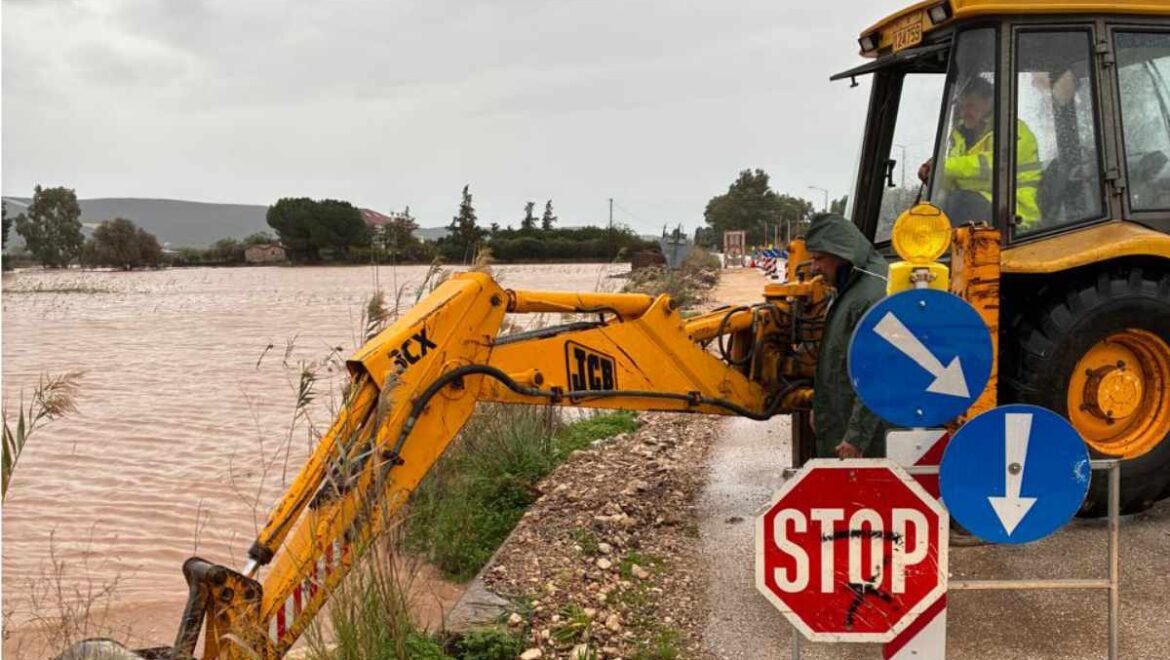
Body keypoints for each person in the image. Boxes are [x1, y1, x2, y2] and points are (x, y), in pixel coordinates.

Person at [805, 214, 888, 459]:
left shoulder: (869, 297)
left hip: (864, 442)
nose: (814, 268)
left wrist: (855, 438)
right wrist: (819, 409)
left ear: (840, 253)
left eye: (819, 258)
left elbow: (876, 373)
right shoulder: (850, 290)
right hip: (843, 425)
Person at [918, 76, 1042, 229]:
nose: (964, 113)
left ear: (989, 102)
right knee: (932, 211)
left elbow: (991, 166)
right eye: (961, 107)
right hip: (978, 209)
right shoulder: (960, 137)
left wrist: (943, 167)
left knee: (960, 202)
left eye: (970, 106)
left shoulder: (1013, 130)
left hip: (1014, 214)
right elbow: (957, 180)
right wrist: (935, 178)